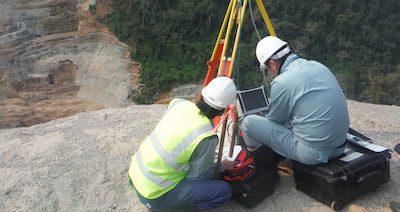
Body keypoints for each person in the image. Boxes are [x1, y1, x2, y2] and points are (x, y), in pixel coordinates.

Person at [241, 36, 350, 172]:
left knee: (248, 124)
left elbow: (276, 120)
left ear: (273, 64)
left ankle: (265, 169)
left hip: (312, 154)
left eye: (267, 68)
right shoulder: (318, 66)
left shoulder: (282, 82)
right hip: (340, 146)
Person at [128, 76, 238, 211]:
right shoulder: (207, 136)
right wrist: (220, 166)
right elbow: (197, 178)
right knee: (224, 191)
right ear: (223, 111)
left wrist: (203, 153)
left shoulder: (178, 104)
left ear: (202, 94)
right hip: (154, 195)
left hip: (135, 174)